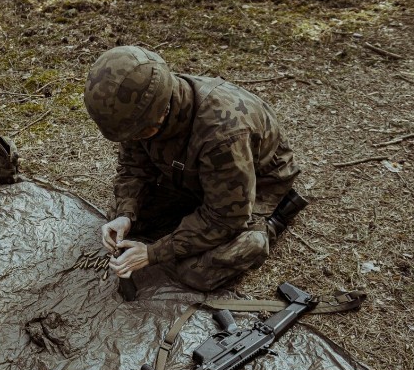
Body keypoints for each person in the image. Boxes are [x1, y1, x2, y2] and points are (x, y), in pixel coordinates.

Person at [84, 46, 306, 292]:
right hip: (192, 173)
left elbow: (225, 217)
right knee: (121, 214)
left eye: (138, 134)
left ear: (161, 113)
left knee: (197, 272)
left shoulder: (222, 134)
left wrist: (153, 252)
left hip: (257, 181)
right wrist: (126, 214)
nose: (134, 139)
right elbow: (133, 167)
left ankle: (266, 228)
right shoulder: (141, 110)